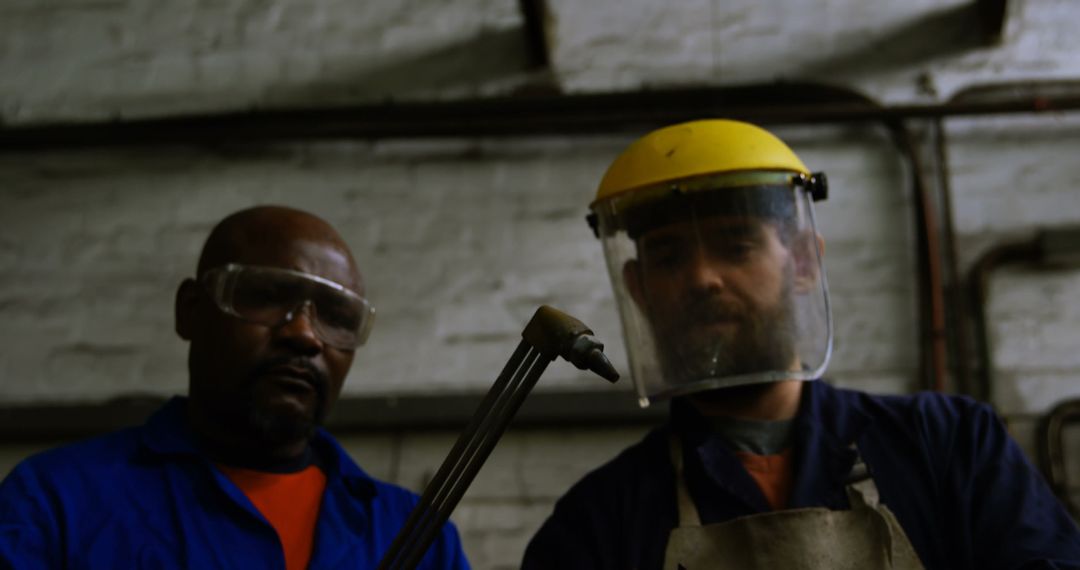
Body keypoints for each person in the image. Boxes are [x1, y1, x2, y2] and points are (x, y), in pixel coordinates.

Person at [522, 120, 1080, 569]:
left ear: (806, 263)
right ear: (638, 289)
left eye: (736, 246)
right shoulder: (600, 521)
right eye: (669, 257)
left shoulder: (949, 447)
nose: (702, 279)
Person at [0, 206, 470, 569]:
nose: (305, 334)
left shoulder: (414, 535)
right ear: (190, 310)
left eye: (336, 318)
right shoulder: (57, 503)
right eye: (266, 296)